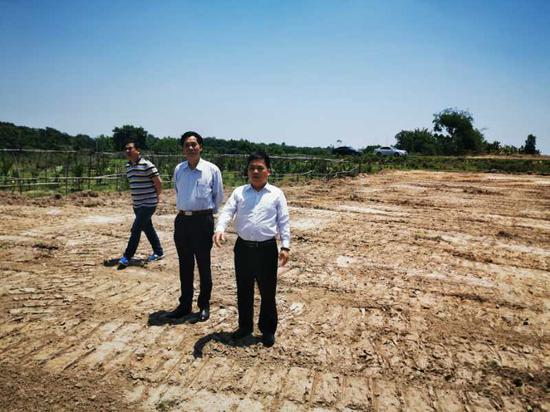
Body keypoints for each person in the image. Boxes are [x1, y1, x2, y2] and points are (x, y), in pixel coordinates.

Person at [213, 151, 290, 347]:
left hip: (266, 249)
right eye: (251, 168)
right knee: (244, 289)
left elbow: (283, 221)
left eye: (260, 168)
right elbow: (227, 212)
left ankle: (268, 330)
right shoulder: (239, 192)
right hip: (243, 248)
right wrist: (220, 229)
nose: (255, 171)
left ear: (268, 171)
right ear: (247, 171)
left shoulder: (276, 194)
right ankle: (245, 326)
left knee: (267, 291)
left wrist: (285, 246)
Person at [166, 131, 224, 322]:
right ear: (183, 149)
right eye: (187, 145)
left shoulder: (212, 170)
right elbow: (177, 190)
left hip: (202, 221)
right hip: (182, 220)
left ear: (201, 147)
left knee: (203, 264)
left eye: (194, 144)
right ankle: (184, 305)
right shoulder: (179, 169)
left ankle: (204, 305)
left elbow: (218, 196)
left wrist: (207, 215)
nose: (190, 148)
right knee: (185, 265)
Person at [118, 140, 164, 266]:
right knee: (148, 228)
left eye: (130, 148)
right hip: (137, 205)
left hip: (148, 204)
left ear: (138, 150)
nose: (127, 151)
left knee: (136, 229)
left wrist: (156, 196)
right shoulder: (128, 167)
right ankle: (158, 252)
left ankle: (127, 256)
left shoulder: (147, 165)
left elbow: (158, 183)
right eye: (126, 149)